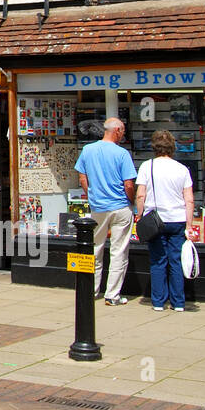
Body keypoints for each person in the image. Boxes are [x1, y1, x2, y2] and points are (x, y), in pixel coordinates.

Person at [74, 117, 137, 306]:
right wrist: (131, 201)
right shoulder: (122, 154)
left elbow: (82, 177)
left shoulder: (88, 150)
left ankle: (90, 291)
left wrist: (91, 194)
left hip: (98, 208)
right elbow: (128, 183)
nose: (123, 134)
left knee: (95, 249)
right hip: (120, 207)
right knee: (119, 252)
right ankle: (112, 295)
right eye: (123, 130)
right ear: (116, 130)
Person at [136, 130, 195, 312]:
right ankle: (178, 303)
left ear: (154, 147)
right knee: (176, 261)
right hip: (177, 220)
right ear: (173, 147)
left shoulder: (147, 166)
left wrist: (139, 215)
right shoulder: (182, 169)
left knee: (158, 261)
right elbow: (189, 199)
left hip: (156, 220)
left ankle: (158, 302)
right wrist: (189, 225)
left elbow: (140, 195)